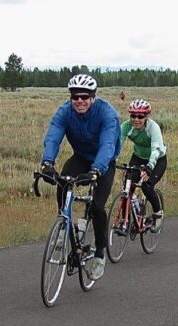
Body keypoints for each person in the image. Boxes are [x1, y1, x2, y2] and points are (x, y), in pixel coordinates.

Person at [39, 74, 120, 281]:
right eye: (75, 97)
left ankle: (100, 253)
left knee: (97, 207)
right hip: (81, 157)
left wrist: (96, 170)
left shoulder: (107, 114)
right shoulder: (65, 112)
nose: (80, 101)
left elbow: (108, 144)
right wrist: (47, 163)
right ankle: (64, 225)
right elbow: (53, 136)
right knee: (63, 182)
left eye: (84, 97)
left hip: (104, 161)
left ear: (93, 97)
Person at [118, 99, 167, 227]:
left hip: (158, 160)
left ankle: (158, 212)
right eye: (133, 116)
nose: (136, 119)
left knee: (146, 186)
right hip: (138, 157)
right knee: (127, 187)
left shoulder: (153, 128)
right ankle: (125, 221)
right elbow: (117, 145)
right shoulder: (126, 126)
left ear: (146, 117)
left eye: (140, 116)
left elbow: (156, 149)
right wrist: (111, 160)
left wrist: (149, 167)